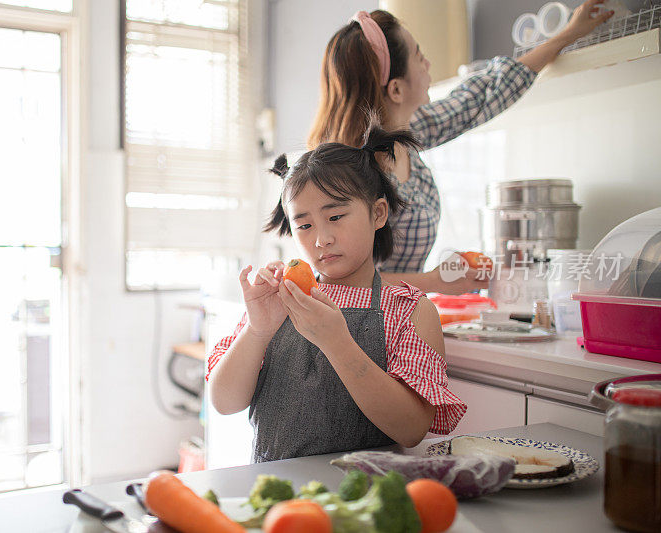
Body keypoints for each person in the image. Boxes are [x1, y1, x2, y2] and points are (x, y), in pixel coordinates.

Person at [307, 0, 614, 294]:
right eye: (418, 56)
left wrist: (570, 33)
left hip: (400, 318)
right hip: (358, 331)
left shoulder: (410, 133)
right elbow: (338, 282)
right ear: (397, 89)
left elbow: (484, 95)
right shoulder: (349, 169)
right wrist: (435, 282)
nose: (428, 64)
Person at [206, 121, 466, 463]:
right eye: (304, 225)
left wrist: (338, 343)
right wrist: (258, 331)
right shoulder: (279, 300)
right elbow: (225, 402)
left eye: (336, 216)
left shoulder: (408, 310)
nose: (321, 239)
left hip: (365, 502)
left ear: (377, 213)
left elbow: (412, 428)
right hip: (280, 502)